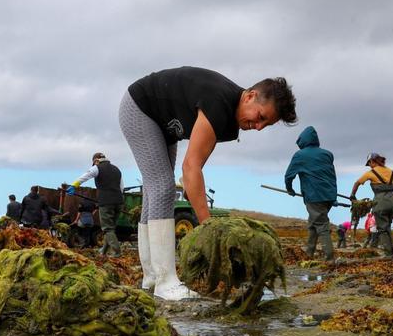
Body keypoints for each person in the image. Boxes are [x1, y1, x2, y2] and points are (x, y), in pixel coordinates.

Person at [119, 66, 297, 299]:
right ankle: (165, 282)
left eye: (267, 124)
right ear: (250, 96)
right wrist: (210, 229)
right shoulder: (218, 102)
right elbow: (190, 168)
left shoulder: (231, 119)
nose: (259, 127)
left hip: (163, 123)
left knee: (155, 191)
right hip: (140, 107)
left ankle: (151, 276)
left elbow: (196, 167)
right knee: (162, 186)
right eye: (261, 117)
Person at [284, 126, 337, 261]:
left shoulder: (300, 155)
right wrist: (334, 197)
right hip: (329, 195)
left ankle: (330, 259)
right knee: (314, 223)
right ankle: (309, 254)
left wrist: (290, 190)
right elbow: (332, 176)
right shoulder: (327, 154)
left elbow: (289, 175)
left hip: (314, 196)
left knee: (321, 225)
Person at [67, 152, 124, 257]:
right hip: (119, 202)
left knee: (107, 228)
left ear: (96, 160)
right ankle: (103, 251)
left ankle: (117, 252)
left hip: (106, 202)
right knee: (111, 228)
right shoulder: (117, 169)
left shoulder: (97, 167)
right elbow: (121, 188)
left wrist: (74, 185)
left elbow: (85, 176)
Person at [350, 153, 393, 257]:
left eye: (369, 163)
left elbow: (357, 183)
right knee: (387, 225)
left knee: (382, 228)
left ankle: (388, 252)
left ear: (372, 161)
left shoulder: (371, 173)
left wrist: (353, 195)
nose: (370, 166)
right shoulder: (392, 172)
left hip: (381, 203)